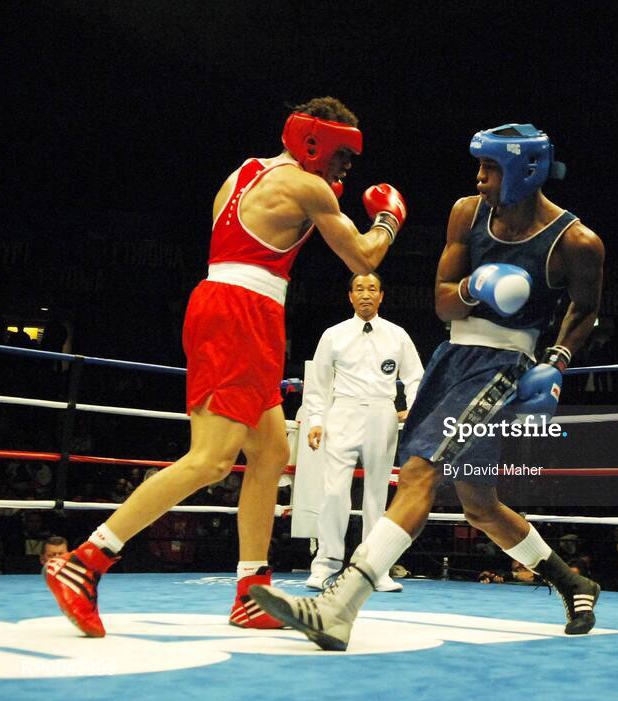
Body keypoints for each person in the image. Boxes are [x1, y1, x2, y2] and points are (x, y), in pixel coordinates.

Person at [44, 96, 408, 638]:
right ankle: (87, 561)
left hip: (238, 307)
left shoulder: (246, 172)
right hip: (239, 314)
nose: (348, 167)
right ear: (315, 143)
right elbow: (364, 256)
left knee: (270, 452)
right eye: (343, 154)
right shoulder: (305, 187)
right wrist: (388, 216)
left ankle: (250, 590)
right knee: (211, 460)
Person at [252, 122, 605, 650]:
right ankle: (573, 582)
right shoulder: (467, 212)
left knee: (419, 473)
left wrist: (556, 359)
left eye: (490, 168)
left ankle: (337, 607)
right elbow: (442, 301)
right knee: (479, 505)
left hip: (503, 366)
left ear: (523, 172)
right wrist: (473, 287)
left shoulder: (576, 242)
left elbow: (586, 309)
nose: (480, 178)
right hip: (451, 357)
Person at [292, 271, 423, 592]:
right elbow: (318, 385)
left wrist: (414, 412)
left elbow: (417, 377)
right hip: (343, 412)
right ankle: (325, 563)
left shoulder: (397, 335)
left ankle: (374, 568)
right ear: (350, 296)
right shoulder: (333, 335)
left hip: (383, 412)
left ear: (381, 296)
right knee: (334, 491)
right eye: (360, 289)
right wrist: (317, 421)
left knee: (377, 495)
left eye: (372, 288)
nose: (366, 294)